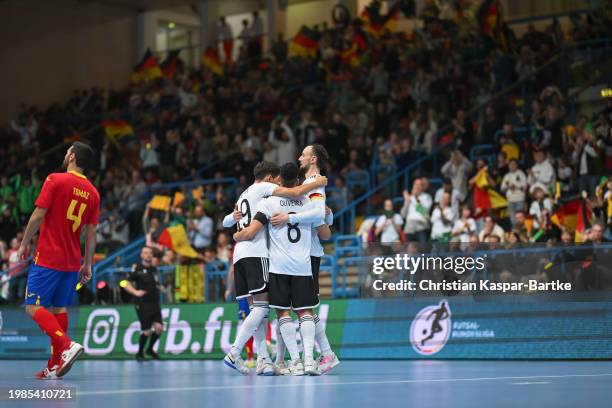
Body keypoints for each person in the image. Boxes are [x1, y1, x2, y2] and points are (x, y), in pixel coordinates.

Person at [221, 161, 327, 375]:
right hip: (258, 253)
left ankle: (263, 359)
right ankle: (235, 352)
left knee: (257, 310)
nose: (278, 184)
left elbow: (226, 222)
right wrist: (317, 183)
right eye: (276, 180)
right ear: (270, 177)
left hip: (240, 254)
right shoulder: (266, 192)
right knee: (263, 309)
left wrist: (233, 230)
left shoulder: (244, 194)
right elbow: (295, 192)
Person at [18, 142, 99, 379]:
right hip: (72, 259)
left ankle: (66, 345)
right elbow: (92, 231)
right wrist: (88, 263)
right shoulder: (93, 193)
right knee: (58, 308)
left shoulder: (55, 179)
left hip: (49, 255)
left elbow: (38, 214)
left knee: (32, 306)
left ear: (72, 156)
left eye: (67, 152)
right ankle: (54, 365)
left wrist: (24, 243)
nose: (65, 155)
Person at [270, 144, 339, 374]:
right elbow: (323, 216)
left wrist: (290, 217)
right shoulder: (309, 184)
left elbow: (319, 214)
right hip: (300, 252)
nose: (299, 157)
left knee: (302, 309)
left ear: (313, 159)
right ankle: (287, 358)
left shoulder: (316, 180)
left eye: (303, 154)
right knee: (297, 309)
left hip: (307, 253)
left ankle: (325, 355)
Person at [121, 246, 164, 361]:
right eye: (146, 253)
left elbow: (154, 283)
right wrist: (135, 292)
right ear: (141, 255)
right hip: (143, 303)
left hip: (154, 303)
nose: (148, 255)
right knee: (147, 331)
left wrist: (159, 288)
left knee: (159, 328)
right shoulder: (137, 269)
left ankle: (150, 349)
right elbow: (124, 283)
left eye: (150, 253)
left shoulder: (154, 269)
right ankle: (139, 353)